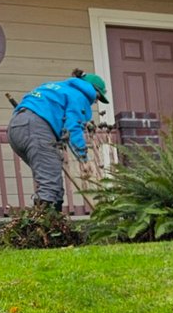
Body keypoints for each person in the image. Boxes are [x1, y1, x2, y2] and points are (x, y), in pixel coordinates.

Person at [7, 69, 110, 211]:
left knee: (50, 177)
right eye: (98, 97)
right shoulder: (79, 96)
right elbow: (73, 127)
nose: (95, 101)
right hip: (36, 129)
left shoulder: (54, 86)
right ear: (93, 90)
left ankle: (54, 224)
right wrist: (84, 160)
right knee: (50, 186)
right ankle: (45, 228)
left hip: (16, 128)